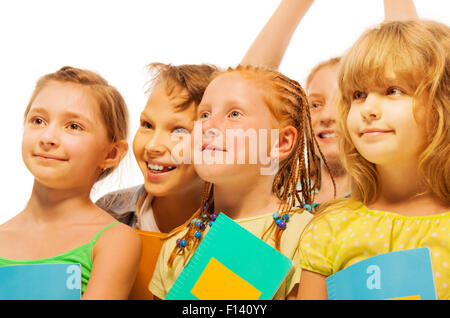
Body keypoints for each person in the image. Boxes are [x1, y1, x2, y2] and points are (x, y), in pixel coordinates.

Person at [297, 20, 450, 300]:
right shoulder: (330, 226)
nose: (367, 108)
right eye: (358, 95)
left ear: (444, 103)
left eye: (393, 90)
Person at [149, 64, 320, 300]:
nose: (208, 126)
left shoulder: (306, 234)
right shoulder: (178, 245)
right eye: (205, 115)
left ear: (280, 142)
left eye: (234, 114)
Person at [241, 0, 419, 210]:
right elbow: (245, 88)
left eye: (345, 100)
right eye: (315, 104)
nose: (327, 115)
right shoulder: (279, 188)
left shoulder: (391, 191)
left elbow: (414, 60)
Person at [0, 66, 142, 299]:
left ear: (111, 153)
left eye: (74, 126)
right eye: (38, 120)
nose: (48, 138)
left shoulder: (114, 241)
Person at [96, 64, 217, 234]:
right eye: (147, 125)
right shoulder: (110, 213)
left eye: (179, 131)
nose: (153, 146)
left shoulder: (241, 226)